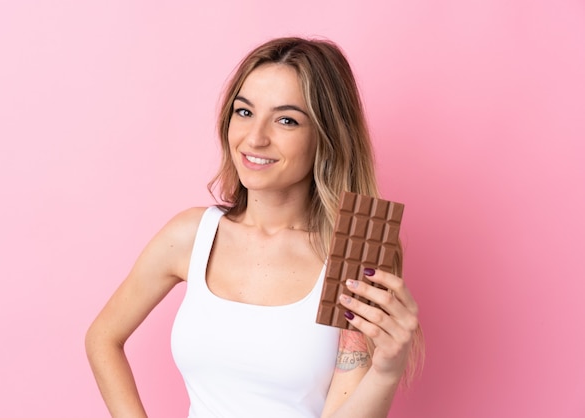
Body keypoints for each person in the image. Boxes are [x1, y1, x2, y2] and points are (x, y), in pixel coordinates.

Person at [85, 36, 422, 418]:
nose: (255, 138)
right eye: (244, 112)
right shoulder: (192, 236)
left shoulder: (353, 258)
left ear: (326, 137)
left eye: (286, 120)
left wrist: (387, 372)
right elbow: (103, 337)